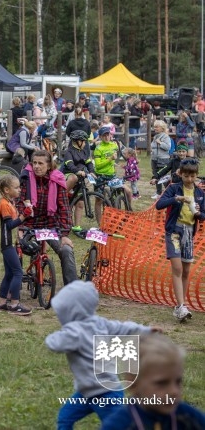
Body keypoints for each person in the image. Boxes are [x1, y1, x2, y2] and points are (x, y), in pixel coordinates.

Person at [45, 281, 157, 429]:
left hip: (107, 394)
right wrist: (146, 330)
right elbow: (124, 328)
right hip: (86, 392)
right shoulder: (101, 323)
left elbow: (54, 344)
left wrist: (56, 335)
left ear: (72, 310)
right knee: (65, 417)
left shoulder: (75, 332)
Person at [101, 333, 205, 430]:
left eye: (178, 381)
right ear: (133, 384)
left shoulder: (187, 417)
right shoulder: (119, 425)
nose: (174, 391)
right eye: (162, 383)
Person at [16, 150, 77, 285]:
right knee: (16, 249)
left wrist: (65, 234)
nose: (36, 166)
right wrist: (20, 226)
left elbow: (64, 208)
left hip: (50, 225)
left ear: (49, 166)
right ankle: (14, 287)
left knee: (66, 250)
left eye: (40, 163)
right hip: (28, 224)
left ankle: (73, 290)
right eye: (34, 163)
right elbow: (19, 203)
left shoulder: (57, 180)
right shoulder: (26, 178)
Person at [156, 157, 205, 322]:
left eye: (192, 176)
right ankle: (181, 306)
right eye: (186, 176)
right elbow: (159, 204)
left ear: (196, 176)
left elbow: (203, 214)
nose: (189, 179)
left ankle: (181, 305)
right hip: (174, 232)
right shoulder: (174, 188)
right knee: (176, 268)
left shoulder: (199, 193)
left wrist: (199, 214)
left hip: (189, 233)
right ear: (181, 174)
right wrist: (176, 199)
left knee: (186, 271)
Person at [0, 175, 33, 315]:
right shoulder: (4, 204)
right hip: (7, 243)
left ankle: (1, 303)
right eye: (16, 188)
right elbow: (9, 225)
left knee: (10, 273)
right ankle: (14, 304)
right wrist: (24, 216)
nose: (19, 190)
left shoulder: (9, 202)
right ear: (6, 190)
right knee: (18, 272)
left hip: (9, 242)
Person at [60, 129, 95, 232]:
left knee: (80, 203)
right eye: (84, 141)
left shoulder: (84, 152)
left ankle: (77, 226)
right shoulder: (69, 152)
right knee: (73, 177)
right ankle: (60, 195)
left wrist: (92, 171)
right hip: (68, 175)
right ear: (77, 141)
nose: (85, 143)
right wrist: (77, 171)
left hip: (80, 177)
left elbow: (89, 163)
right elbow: (69, 165)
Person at [93, 126, 132, 215]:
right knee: (98, 200)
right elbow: (98, 166)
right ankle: (99, 224)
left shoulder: (114, 145)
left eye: (108, 135)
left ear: (111, 135)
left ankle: (129, 212)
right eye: (104, 136)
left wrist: (133, 158)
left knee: (128, 191)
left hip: (111, 176)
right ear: (100, 136)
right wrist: (110, 159)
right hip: (100, 176)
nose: (107, 137)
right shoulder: (98, 149)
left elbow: (125, 151)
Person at [150, 119, 173, 199]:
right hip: (154, 159)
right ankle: (158, 192)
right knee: (156, 175)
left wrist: (160, 143)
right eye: (154, 127)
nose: (155, 128)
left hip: (163, 159)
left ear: (162, 128)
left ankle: (169, 192)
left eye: (157, 127)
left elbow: (168, 147)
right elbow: (152, 146)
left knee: (163, 176)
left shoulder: (166, 137)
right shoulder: (155, 136)